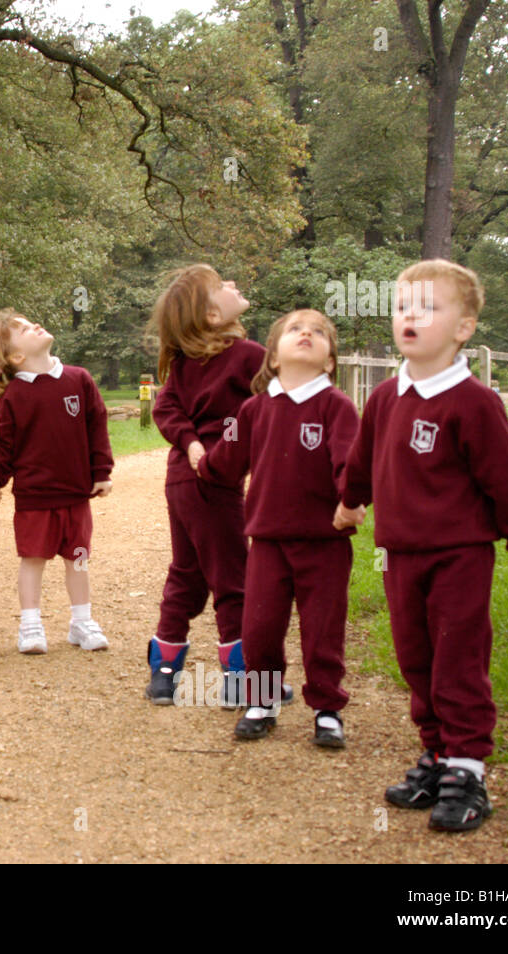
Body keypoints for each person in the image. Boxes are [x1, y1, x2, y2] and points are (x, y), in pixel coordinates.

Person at [335, 260, 508, 832]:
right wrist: (350, 498)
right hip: (400, 553)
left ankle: (467, 768)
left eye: (428, 307)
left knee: (457, 658)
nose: (411, 316)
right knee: (416, 657)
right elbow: (362, 458)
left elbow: (505, 483)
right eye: (403, 306)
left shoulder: (473, 403)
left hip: (459, 554)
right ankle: (436, 754)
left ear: (464, 327)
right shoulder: (385, 396)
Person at [197, 309, 359, 744]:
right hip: (267, 541)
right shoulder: (254, 409)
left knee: (322, 629)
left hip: (325, 542)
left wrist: (351, 499)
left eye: (319, 332)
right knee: (260, 626)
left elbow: (350, 460)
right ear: (273, 357)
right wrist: (200, 463)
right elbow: (226, 461)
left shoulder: (336, 406)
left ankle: (327, 708)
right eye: (294, 329)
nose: (306, 333)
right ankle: (262, 700)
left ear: (329, 362)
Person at [144, 265, 269, 707]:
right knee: (236, 578)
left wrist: (190, 443)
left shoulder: (185, 363)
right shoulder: (250, 355)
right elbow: (274, 401)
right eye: (222, 286)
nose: (233, 285)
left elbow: (167, 409)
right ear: (213, 316)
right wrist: (200, 445)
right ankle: (241, 679)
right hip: (212, 483)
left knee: (188, 573)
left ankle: (163, 671)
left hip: (181, 479)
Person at [0, 309, 113, 655]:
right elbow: (4, 446)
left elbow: (97, 427)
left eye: (30, 322)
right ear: (16, 356)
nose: (33, 325)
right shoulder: (14, 397)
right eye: (22, 329)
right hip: (35, 498)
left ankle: (81, 622)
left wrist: (102, 472)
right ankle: (30, 624)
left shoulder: (79, 379)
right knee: (33, 559)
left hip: (75, 494)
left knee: (78, 558)